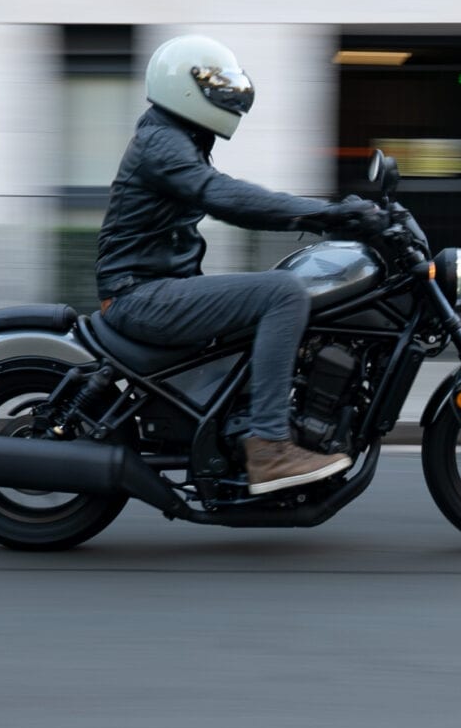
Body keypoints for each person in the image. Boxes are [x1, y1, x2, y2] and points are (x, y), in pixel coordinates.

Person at [94, 35, 386, 495]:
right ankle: (268, 448)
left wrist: (328, 216)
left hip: (157, 288)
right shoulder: (162, 143)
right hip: (141, 295)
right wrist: (326, 213)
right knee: (283, 292)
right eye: (217, 86)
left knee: (281, 291)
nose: (228, 97)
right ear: (184, 87)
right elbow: (223, 195)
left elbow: (224, 190)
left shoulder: (176, 138)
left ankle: (258, 425)